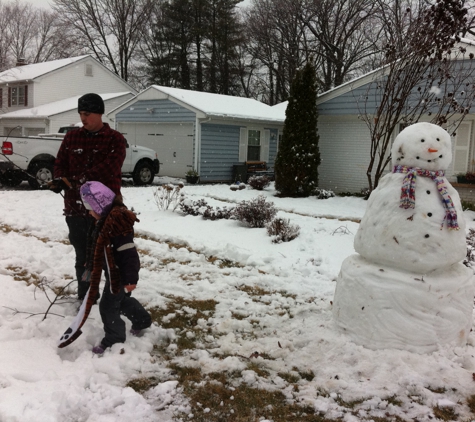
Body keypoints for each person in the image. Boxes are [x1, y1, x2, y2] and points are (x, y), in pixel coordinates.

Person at [52, 93, 127, 300]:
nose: (83, 118)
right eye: (81, 114)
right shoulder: (71, 137)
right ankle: (86, 297)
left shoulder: (115, 140)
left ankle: (114, 300)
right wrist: (59, 180)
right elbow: (60, 163)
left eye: (87, 114)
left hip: (105, 210)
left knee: (108, 257)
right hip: (75, 209)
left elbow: (110, 168)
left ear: (99, 113)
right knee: (83, 256)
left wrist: (79, 179)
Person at [78, 181, 151, 354]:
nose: (89, 212)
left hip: (120, 274)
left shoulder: (117, 227)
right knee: (121, 300)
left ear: (100, 205)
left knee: (108, 306)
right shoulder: (104, 222)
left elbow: (129, 255)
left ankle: (114, 339)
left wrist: (131, 279)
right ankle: (142, 320)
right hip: (113, 271)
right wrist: (91, 262)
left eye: (90, 208)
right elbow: (97, 246)